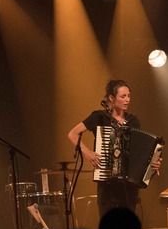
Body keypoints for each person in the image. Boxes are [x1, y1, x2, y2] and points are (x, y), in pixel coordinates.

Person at [67, 79, 160, 219]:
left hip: (129, 188)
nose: (127, 99)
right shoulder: (99, 117)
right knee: (109, 228)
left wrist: (153, 163)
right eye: (123, 96)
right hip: (107, 185)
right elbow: (72, 134)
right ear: (111, 98)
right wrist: (87, 153)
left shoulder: (133, 121)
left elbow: (140, 152)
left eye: (129, 96)